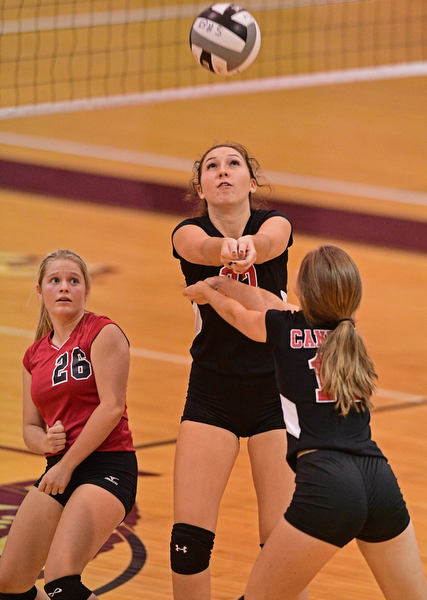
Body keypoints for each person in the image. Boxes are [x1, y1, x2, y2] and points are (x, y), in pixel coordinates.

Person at [183, 244, 427, 600]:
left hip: (328, 484)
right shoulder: (350, 336)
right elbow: (262, 299)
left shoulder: (284, 327)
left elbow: (238, 314)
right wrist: (223, 282)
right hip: (379, 480)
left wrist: (206, 292)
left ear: (304, 287)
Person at [171, 142, 308, 600]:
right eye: (212, 167)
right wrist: (226, 250)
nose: (223, 172)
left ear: (251, 182)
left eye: (234, 165)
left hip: (276, 394)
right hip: (212, 393)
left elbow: (270, 243)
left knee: (283, 544)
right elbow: (203, 248)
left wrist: (250, 249)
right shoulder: (187, 233)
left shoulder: (275, 225)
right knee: (188, 545)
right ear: (202, 187)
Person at [0, 249, 138, 600]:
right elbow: (30, 426)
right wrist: (45, 444)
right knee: (9, 584)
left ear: (86, 291)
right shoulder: (34, 356)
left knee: (61, 582)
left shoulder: (102, 332)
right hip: (58, 469)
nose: (64, 288)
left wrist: (66, 464)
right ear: (40, 290)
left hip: (107, 466)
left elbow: (111, 408)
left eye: (73, 281)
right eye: (55, 281)